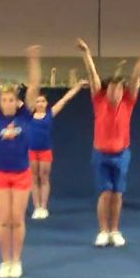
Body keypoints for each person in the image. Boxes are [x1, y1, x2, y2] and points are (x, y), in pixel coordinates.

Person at [77, 38, 140, 247]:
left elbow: (136, 76)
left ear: (123, 92)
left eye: (120, 89)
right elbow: (92, 75)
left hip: (121, 155)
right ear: (108, 90)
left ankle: (115, 230)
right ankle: (103, 230)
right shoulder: (99, 100)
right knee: (105, 193)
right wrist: (86, 53)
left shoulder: (129, 102)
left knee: (117, 194)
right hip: (101, 154)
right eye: (113, 89)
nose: (116, 93)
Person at [0, 42, 40, 278]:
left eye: (10, 100)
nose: (6, 104)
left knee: (17, 219)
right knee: (4, 220)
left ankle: (17, 260)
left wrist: (33, 60)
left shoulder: (25, 115)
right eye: (3, 100)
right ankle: (5, 261)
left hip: (22, 174)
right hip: (0, 174)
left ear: (17, 102)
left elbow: (34, 85)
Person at [29, 79, 88, 219]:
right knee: (33, 178)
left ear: (46, 104)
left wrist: (78, 86)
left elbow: (65, 99)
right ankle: (36, 207)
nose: (40, 104)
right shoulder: (28, 116)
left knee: (44, 178)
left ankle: (44, 206)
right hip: (31, 150)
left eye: (43, 101)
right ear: (34, 104)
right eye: (38, 101)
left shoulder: (50, 114)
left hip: (45, 151)